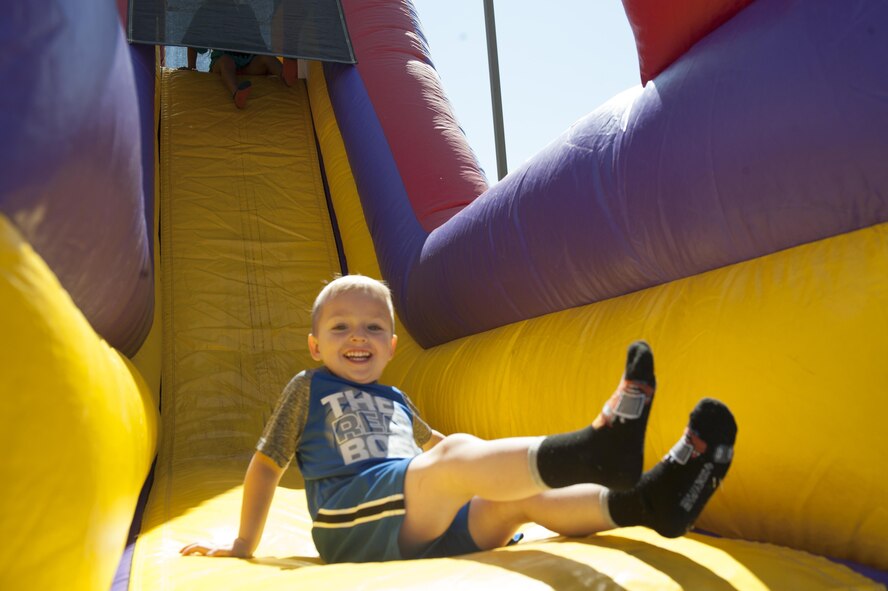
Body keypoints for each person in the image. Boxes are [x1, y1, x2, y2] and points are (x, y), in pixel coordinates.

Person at [181, 275, 737, 563]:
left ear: (393, 345)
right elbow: (265, 466)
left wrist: (483, 469)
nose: (358, 336)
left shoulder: (397, 398)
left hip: (417, 521)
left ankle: (646, 502)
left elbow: (442, 447)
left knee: (506, 495)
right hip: (352, 518)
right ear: (314, 346)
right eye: (341, 327)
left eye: (374, 328)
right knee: (453, 458)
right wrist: (243, 544)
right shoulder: (308, 389)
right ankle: (591, 451)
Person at [183, 48, 297, 109]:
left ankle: (286, 76)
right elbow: (194, 42)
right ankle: (236, 94)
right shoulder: (211, 13)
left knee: (266, 57)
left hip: (248, 65)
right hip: (222, 67)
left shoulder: (245, 11)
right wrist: (191, 67)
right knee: (225, 61)